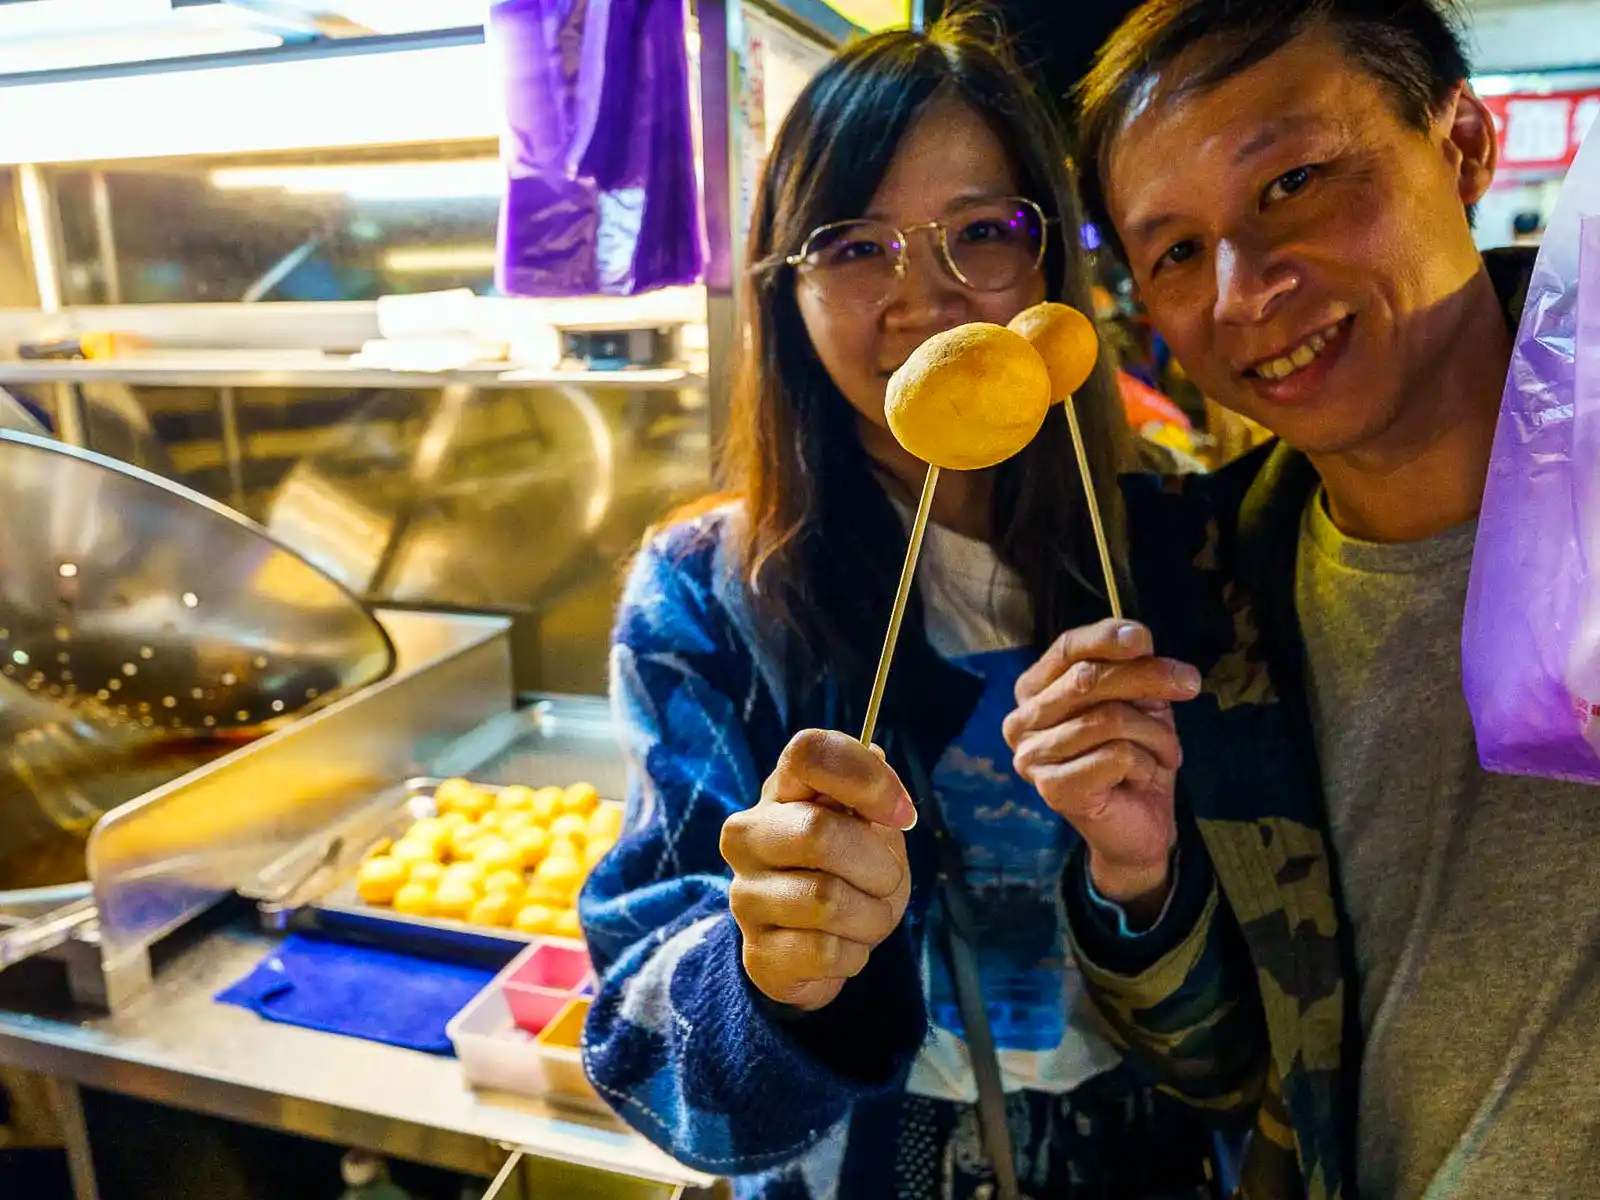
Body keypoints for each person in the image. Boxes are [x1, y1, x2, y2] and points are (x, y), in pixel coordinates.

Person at [579, 16, 1216, 1200]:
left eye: (979, 231)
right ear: (785, 289)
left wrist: (1144, 881)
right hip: (870, 1163)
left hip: (1158, 1147)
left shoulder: (1179, 538)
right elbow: (644, 1060)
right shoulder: (711, 597)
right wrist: (772, 975)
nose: (924, 297)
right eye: (854, 245)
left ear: (1047, 274)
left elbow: (1293, 963)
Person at [1001, 1, 1600, 1197]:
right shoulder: (1197, 603)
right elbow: (1228, 1070)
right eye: (1173, 251)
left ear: (1463, 147)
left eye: (1292, 183)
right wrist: (1137, 876)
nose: (1244, 289)